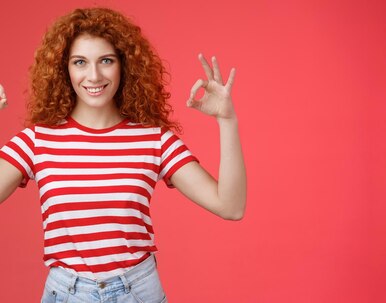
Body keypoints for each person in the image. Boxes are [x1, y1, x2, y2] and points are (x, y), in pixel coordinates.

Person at [0, 7, 246, 303]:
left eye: (106, 60)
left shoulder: (153, 139)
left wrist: (227, 121)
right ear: (64, 68)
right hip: (65, 294)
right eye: (80, 62)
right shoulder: (37, 140)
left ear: (124, 65)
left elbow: (230, 206)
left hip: (139, 292)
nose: (94, 75)